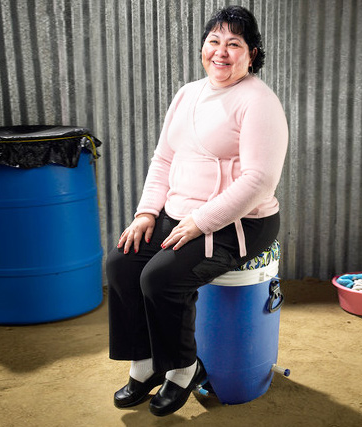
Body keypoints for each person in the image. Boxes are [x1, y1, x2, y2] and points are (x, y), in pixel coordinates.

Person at [106, 5, 288, 417]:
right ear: (203, 47)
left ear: (252, 54)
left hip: (239, 222)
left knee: (161, 277)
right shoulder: (187, 93)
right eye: (214, 41)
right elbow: (164, 159)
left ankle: (183, 369)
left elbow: (259, 181)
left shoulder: (259, 102)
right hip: (178, 213)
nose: (221, 52)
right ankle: (148, 363)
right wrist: (146, 213)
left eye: (234, 44)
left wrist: (201, 221)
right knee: (122, 262)